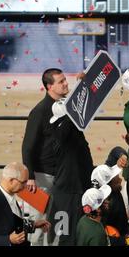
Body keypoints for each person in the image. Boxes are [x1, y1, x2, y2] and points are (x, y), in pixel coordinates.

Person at [21, 68, 68, 245]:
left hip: (59, 176)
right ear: (49, 86)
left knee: (56, 225)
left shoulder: (64, 108)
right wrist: (30, 177)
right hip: (40, 179)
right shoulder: (39, 111)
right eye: (61, 81)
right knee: (38, 228)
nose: (65, 83)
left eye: (65, 80)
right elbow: (27, 147)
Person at [47, 99, 94, 246]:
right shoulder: (61, 135)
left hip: (74, 191)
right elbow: (67, 127)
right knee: (67, 238)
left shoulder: (72, 134)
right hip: (67, 193)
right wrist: (72, 111)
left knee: (76, 235)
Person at [0, 163, 50, 246]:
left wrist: (34, 224)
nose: (25, 186)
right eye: (23, 182)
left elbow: (11, 222)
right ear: (11, 180)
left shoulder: (9, 194)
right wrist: (9, 239)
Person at [91, 164, 129, 245]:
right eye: (116, 177)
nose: (120, 179)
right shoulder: (101, 203)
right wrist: (125, 241)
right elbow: (101, 234)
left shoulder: (115, 192)